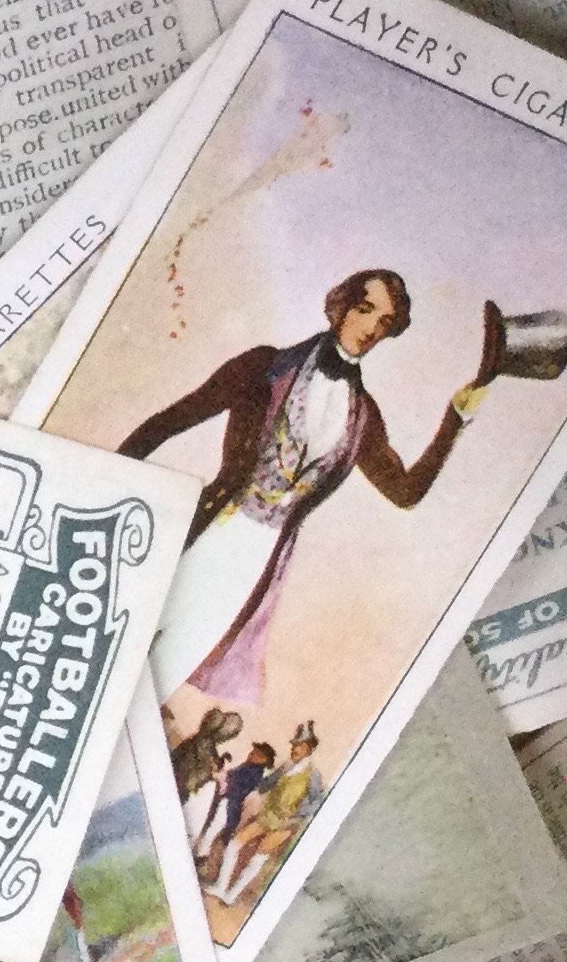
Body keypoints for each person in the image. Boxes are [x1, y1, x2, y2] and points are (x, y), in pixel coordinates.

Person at [118, 269, 496, 702]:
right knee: (125, 639)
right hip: (210, 528)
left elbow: (405, 492)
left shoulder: (363, 417)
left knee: (164, 676)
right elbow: (172, 421)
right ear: (342, 307)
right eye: (365, 309)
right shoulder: (263, 366)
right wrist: (101, 480)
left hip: (257, 560)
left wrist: (454, 419)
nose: (371, 329)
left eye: (384, 322)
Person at [215, 722, 320, 903]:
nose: (293, 749)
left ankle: (231, 896)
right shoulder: (287, 766)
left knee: (259, 856)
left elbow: (316, 802)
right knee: (234, 844)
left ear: (307, 749)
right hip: (268, 815)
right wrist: (248, 788)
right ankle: (220, 888)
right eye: (293, 745)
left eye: (298, 746)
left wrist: (296, 814)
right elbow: (267, 783)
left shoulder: (313, 775)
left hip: (286, 823)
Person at [169, 705, 244, 836]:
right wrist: (213, 769)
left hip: (179, 777)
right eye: (228, 733)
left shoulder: (205, 742)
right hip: (179, 781)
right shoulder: (205, 742)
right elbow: (198, 772)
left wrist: (217, 762)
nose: (226, 737)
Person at [200, 739, 275, 863]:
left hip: (232, 804)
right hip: (227, 798)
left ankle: (204, 853)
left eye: (256, 754)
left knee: (216, 826)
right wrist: (222, 775)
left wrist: (225, 782)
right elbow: (231, 774)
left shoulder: (255, 773)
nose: (251, 755)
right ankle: (202, 850)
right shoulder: (247, 766)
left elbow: (240, 789)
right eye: (252, 752)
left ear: (263, 759)